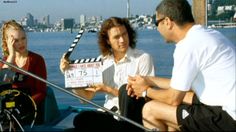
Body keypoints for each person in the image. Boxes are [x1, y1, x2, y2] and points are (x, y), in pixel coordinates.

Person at [127, 0, 236, 131]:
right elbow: (178, 86)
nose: (157, 28)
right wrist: (147, 80)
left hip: (228, 116)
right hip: (224, 105)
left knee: (151, 110)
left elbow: (173, 99)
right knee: (176, 107)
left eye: (157, 23)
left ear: (167, 22)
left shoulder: (187, 45)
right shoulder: (208, 34)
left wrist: (145, 91)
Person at [60, 17, 155, 131]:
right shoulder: (103, 61)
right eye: (116, 37)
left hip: (133, 118)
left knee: (126, 90)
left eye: (124, 34)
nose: (122, 40)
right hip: (110, 115)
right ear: (108, 41)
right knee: (80, 119)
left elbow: (148, 98)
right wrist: (70, 74)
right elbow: (86, 97)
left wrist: (108, 89)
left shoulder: (143, 58)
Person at [0, 20, 47, 124]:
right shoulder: (4, 62)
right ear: (7, 42)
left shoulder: (37, 60)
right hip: (8, 112)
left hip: (32, 110)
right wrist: (11, 56)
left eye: (23, 38)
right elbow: (2, 83)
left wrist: (23, 106)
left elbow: (41, 92)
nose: (21, 43)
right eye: (16, 40)